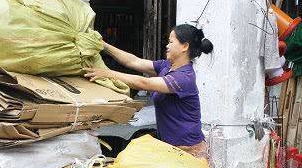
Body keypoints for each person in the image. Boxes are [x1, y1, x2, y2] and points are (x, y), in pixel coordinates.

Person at [84, 24, 213, 159]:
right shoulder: (167, 66)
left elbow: (144, 83)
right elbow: (134, 62)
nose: (167, 46)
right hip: (171, 148)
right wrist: (104, 45)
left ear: (184, 46)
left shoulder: (184, 77)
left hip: (189, 150)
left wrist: (107, 74)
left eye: (171, 42)